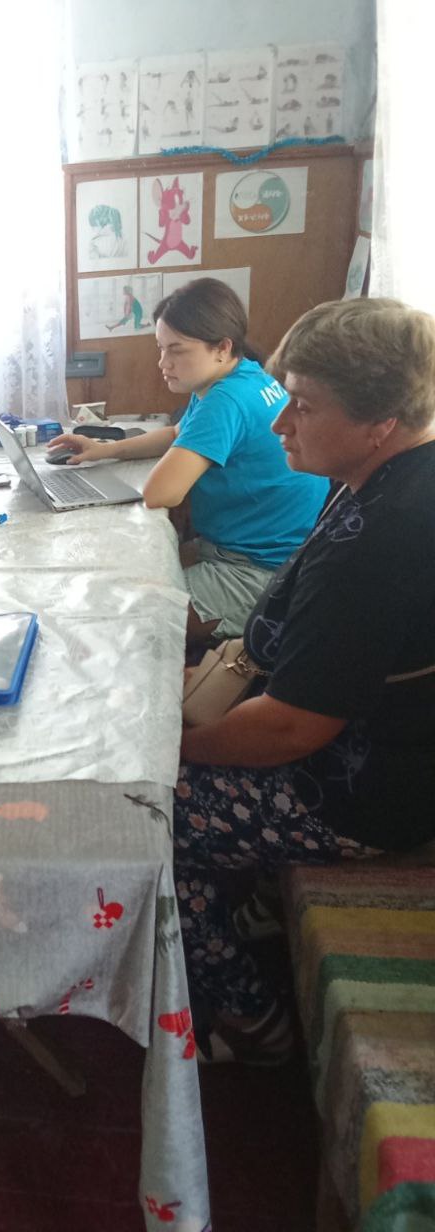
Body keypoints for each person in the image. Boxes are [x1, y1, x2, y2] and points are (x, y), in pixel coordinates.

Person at [171, 297, 435, 1063]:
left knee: (151, 810)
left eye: (305, 406)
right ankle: (254, 917)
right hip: (372, 750)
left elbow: (292, 727)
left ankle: (247, 1017)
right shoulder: (386, 477)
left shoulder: (382, 542)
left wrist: (169, 750)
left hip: (366, 794)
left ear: (380, 421)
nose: (281, 423)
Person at [49, 278, 329, 642]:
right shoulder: (240, 376)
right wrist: (104, 449)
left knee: (121, 618)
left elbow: (161, 493)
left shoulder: (226, 399)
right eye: (161, 348)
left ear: (222, 348)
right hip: (265, 553)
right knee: (125, 570)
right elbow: (177, 434)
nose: (163, 363)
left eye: (176, 351)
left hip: (259, 573)